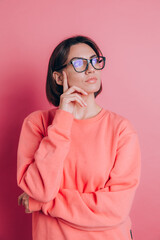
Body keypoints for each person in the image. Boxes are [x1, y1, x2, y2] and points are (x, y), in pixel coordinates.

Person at [17, 35, 141, 240]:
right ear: (58, 77)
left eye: (94, 61)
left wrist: (43, 204)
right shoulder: (37, 124)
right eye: (79, 63)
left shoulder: (121, 130)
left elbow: (114, 209)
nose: (91, 69)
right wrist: (63, 120)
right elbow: (41, 190)